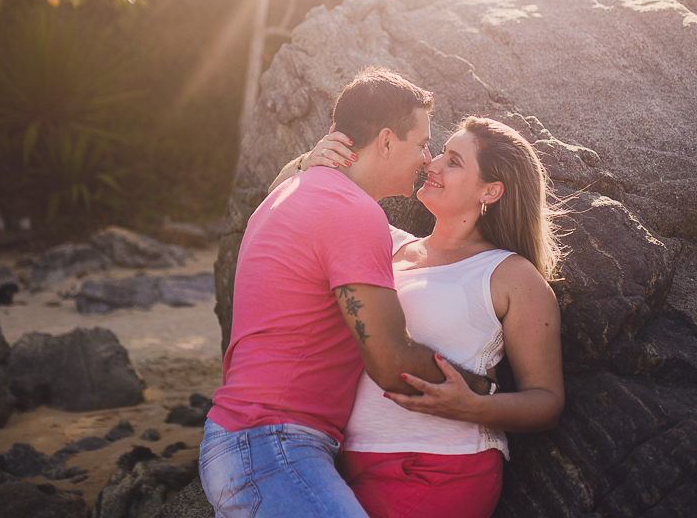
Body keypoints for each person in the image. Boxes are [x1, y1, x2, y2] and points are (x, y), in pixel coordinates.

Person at [200, 68, 495, 518]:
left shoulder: (291, 192)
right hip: (272, 446)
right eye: (421, 143)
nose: (426, 157)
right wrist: (482, 390)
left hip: (246, 441)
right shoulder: (353, 213)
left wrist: (302, 162)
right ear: (386, 141)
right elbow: (391, 362)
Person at [288, 115, 566, 518]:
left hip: (438, 469)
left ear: (491, 190)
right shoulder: (382, 241)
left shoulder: (511, 275)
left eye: (453, 161)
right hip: (335, 463)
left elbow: (547, 402)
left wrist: (472, 407)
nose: (431, 163)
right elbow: (283, 206)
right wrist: (305, 164)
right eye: (439, 153)